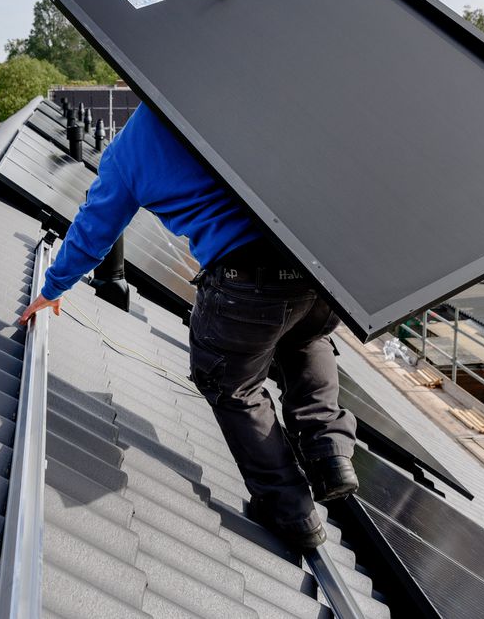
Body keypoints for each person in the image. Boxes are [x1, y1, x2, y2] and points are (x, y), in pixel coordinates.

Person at [19, 102, 358, 550]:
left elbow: (95, 227)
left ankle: (292, 512)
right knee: (307, 336)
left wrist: (54, 285)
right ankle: (330, 450)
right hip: (319, 267)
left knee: (232, 385)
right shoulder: (232, 97)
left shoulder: (133, 147)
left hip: (247, 284)